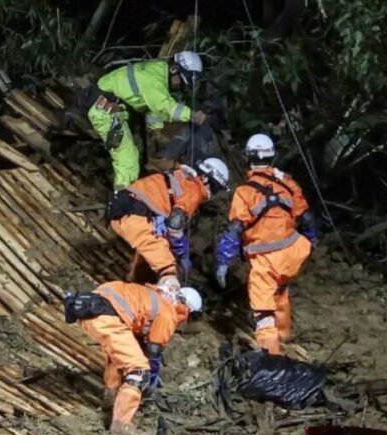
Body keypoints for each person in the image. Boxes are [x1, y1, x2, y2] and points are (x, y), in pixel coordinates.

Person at [215, 134, 317, 354]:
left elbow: (235, 230)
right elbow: (306, 218)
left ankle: (272, 359)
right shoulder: (288, 184)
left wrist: (223, 260)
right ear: (272, 157)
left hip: (266, 258)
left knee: (263, 313)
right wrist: (311, 241)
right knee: (280, 290)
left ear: (248, 158)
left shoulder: (245, 192)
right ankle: (284, 336)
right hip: (293, 252)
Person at [65, 282, 202, 435]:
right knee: (139, 370)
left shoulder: (154, 296)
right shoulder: (168, 312)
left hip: (91, 307)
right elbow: (153, 350)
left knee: (122, 357)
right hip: (107, 314)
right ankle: (121, 425)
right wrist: (151, 374)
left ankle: (111, 398)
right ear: (188, 309)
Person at [87, 51, 208, 189]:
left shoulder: (158, 71)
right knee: (128, 159)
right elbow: (164, 106)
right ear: (175, 69)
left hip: (114, 110)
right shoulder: (153, 78)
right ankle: (120, 199)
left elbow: (149, 106)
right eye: (182, 81)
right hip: (104, 112)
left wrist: (156, 131)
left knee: (135, 153)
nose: (181, 86)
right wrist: (192, 115)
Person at [107, 157, 230, 290]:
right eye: (215, 188)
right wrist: (182, 252)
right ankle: (168, 286)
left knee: (148, 257)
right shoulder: (194, 189)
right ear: (205, 179)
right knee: (165, 263)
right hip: (135, 216)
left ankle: (135, 285)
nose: (212, 193)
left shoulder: (179, 176)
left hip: (122, 209)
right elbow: (174, 224)